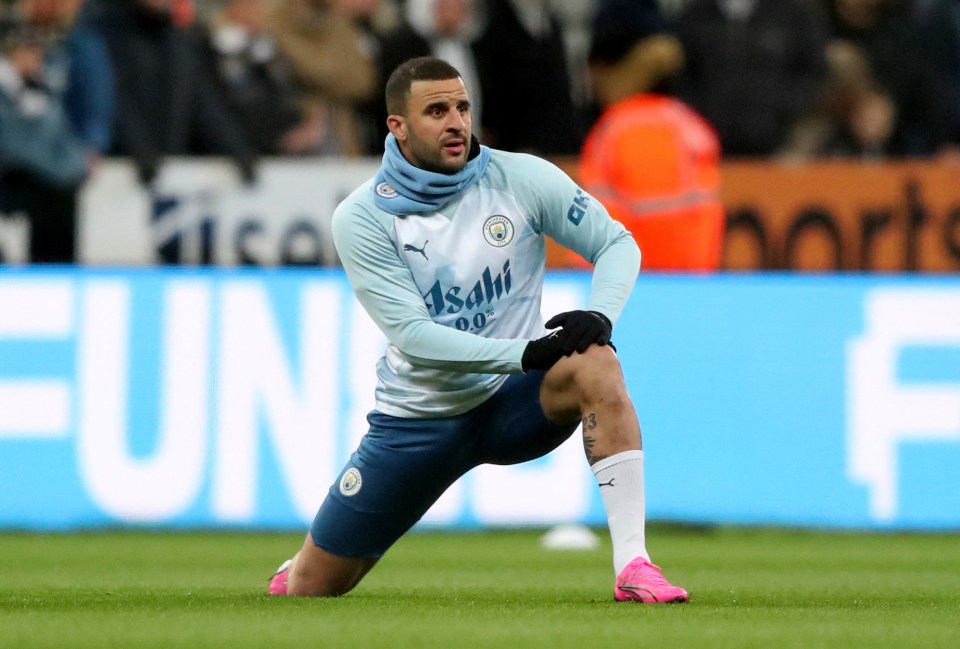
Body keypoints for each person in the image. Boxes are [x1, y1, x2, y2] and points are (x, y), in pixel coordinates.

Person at [267, 56, 689, 604]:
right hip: (418, 422)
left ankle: (634, 564)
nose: (456, 122)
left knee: (597, 361)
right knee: (309, 591)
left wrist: (600, 316)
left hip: (511, 403)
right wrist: (526, 351)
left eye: (462, 107)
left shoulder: (521, 177)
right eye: (436, 110)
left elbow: (616, 243)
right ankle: (304, 562)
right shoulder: (363, 217)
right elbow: (415, 336)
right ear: (397, 126)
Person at [572, 0, 724, 271]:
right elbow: (707, 226)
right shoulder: (694, 130)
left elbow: (591, 235)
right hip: (689, 289)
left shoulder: (610, 135)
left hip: (631, 291)